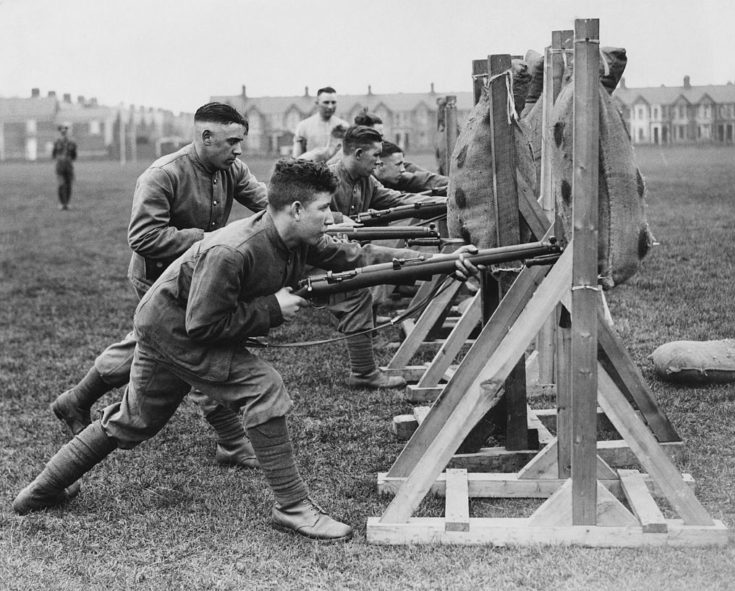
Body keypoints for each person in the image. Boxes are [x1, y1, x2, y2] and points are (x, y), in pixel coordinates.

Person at [12, 159, 478, 543]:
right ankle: (293, 507)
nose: (332, 219)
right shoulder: (234, 251)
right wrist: (271, 309)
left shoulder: (296, 235)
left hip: (168, 324)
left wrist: (438, 262)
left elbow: (358, 259)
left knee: (134, 422)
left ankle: (39, 490)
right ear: (295, 208)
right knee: (263, 387)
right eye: (324, 209)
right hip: (178, 329)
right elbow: (204, 326)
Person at [50, 102, 267, 469]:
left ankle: (75, 400)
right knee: (197, 350)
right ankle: (232, 441)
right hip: (157, 279)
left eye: (241, 141)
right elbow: (144, 237)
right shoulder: (163, 174)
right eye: (232, 141)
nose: (239, 149)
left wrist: (309, 215)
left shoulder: (232, 168)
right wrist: (211, 239)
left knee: (147, 345)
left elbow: (267, 204)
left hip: (199, 279)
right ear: (205, 137)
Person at [327, 125, 447, 385]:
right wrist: (338, 219)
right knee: (357, 288)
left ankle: (364, 369)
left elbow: (396, 199)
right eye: (375, 156)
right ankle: (364, 373)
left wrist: (444, 203)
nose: (379, 162)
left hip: (342, 252)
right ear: (358, 153)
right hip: (315, 254)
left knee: (364, 283)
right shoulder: (327, 179)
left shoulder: (365, 180)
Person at [291, 87, 349, 159]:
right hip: (311, 168)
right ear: (317, 103)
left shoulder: (344, 126)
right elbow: (297, 157)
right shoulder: (303, 126)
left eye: (333, 102)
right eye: (326, 102)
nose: (330, 106)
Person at [374, 140, 448, 194]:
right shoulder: (366, 183)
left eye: (402, 164)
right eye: (398, 165)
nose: (403, 170)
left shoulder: (398, 177)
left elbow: (429, 180)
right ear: (380, 165)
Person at [52, 123, 77, 210]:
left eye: (65, 131)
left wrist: (68, 159)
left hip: (69, 167)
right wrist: (60, 159)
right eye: (62, 131)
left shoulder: (72, 143)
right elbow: (54, 154)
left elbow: (74, 156)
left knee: (69, 185)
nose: (64, 133)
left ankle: (67, 203)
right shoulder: (56, 143)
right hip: (60, 167)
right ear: (60, 132)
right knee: (61, 185)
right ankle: (62, 203)